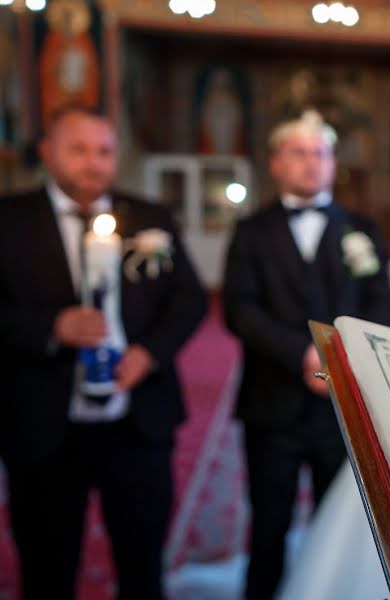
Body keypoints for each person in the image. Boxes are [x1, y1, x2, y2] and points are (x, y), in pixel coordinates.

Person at [0, 104, 207, 599]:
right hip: (45, 424)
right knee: (47, 566)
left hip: (138, 423)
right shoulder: (8, 219)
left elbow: (190, 299)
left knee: (142, 562)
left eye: (105, 151)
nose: (94, 162)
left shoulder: (150, 217)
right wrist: (51, 326)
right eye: (79, 149)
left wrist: (150, 353)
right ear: (47, 151)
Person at [222, 110, 390, 600]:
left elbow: (378, 302)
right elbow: (240, 310)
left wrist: (337, 358)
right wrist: (299, 354)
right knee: (269, 522)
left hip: (340, 402)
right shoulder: (252, 231)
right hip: (271, 400)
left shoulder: (361, 228)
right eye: (299, 153)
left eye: (320, 153)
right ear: (275, 163)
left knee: (335, 523)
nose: (311, 163)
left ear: (333, 164)